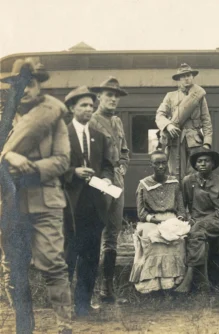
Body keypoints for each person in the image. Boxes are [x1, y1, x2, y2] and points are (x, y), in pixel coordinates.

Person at [0, 58, 72, 333]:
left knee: (53, 263)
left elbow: (63, 161)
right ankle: (23, 326)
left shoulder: (52, 119)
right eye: (19, 85)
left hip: (44, 200)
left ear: (39, 85)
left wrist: (29, 166)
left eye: (30, 84)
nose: (25, 90)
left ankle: (63, 324)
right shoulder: (5, 120)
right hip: (10, 202)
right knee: (12, 269)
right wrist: (10, 155)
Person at [62, 86, 114, 317]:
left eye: (91, 106)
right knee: (67, 257)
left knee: (90, 256)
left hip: (94, 205)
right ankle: (63, 306)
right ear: (72, 108)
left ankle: (83, 306)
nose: (88, 110)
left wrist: (105, 179)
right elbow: (52, 168)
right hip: (68, 206)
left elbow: (107, 166)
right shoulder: (60, 136)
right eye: (83, 105)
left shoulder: (99, 137)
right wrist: (73, 172)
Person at [89, 76, 129, 304]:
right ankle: (86, 292)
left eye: (116, 96)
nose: (113, 99)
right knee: (94, 236)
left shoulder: (117, 122)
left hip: (117, 184)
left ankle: (107, 290)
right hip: (98, 183)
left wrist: (123, 164)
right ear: (99, 97)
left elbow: (124, 150)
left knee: (112, 236)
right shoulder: (92, 121)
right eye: (109, 95)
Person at [130, 151, 188, 294]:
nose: (161, 166)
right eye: (157, 163)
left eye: (163, 163)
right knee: (153, 237)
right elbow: (141, 213)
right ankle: (153, 284)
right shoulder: (144, 185)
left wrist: (177, 221)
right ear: (151, 165)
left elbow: (181, 209)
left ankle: (173, 283)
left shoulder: (174, 183)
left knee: (177, 239)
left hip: (171, 218)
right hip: (151, 220)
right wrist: (157, 221)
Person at [176, 148, 219, 293]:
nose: (203, 164)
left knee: (197, 231)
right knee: (200, 239)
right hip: (195, 222)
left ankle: (188, 279)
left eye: (207, 161)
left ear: (213, 164)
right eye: (199, 161)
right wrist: (186, 218)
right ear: (195, 165)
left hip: (215, 221)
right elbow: (184, 205)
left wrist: (200, 222)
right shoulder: (188, 181)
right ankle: (203, 284)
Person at [155, 63, 212, 179]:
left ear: (192, 77)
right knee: (175, 174)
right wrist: (168, 125)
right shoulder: (170, 96)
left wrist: (207, 142)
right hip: (175, 138)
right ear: (179, 79)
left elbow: (206, 120)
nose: (186, 78)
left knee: (196, 175)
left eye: (189, 75)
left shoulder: (199, 96)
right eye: (183, 76)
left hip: (194, 141)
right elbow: (159, 115)